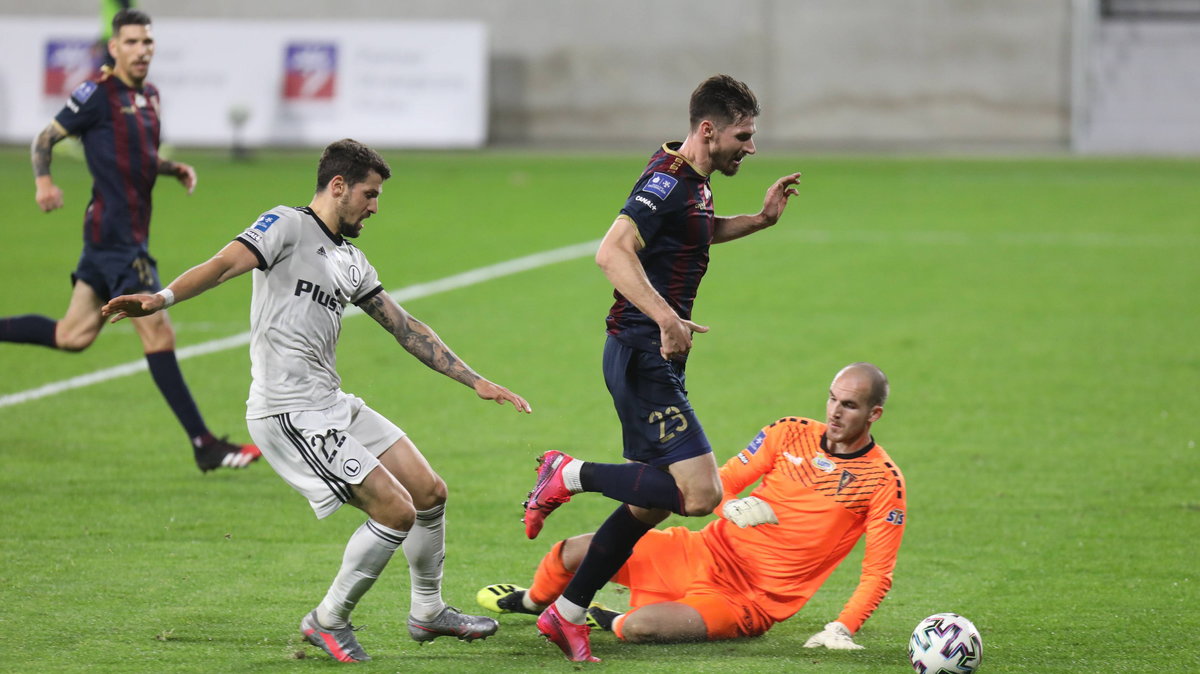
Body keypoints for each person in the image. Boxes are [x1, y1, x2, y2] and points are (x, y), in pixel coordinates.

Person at [102, 138, 533, 663]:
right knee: (394, 512)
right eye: (369, 194)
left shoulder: (351, 259)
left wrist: (475, 380)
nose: (374, 206)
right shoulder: (286, 225)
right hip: (287, 411)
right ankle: (327, 620)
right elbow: (221, 265)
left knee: (429, 492)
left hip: (330, 402)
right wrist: (160, 299)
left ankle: (427, 611)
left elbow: (404, 327)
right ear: (338, 186)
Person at [520, 74, 803, 661]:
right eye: (743, 136)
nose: (751, 147)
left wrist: (762, 220)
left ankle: (567, 614)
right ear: (708, 130)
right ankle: (567, 473)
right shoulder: (667, 181)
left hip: (652, 354)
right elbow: (612, 251)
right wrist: (668, 319)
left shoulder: (692, 179)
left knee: (649, 502)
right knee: (700, 495)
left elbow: (694, 235)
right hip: (643, 353)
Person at [490, 363, 904, 653]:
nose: (834, 411)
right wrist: (731, 507)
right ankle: (534, 602)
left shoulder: (883, 481)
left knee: (639, 628)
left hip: (748, 600)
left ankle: (608, 616)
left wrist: (841, 627)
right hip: (701, 552)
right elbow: (718, 485)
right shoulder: (789, 432)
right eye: (832, 399)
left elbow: (878, 573)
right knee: (570, 553)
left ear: (875, 414)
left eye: (849, 405)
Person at [2, 8, 259, 472]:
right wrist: (44, 182)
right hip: (117, 240)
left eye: (148, 42)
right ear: (114, 47)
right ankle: (204, 444)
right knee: (158, 330)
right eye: (133, 43)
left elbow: (139, 154)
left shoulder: (151, 97)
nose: (142, 50)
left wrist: (170, 168)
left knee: (73, 335)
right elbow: (45, 138)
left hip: (113, 238)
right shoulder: (97, 95)